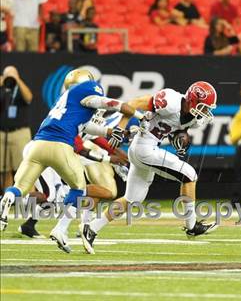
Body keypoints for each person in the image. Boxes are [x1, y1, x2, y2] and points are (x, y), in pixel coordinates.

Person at [0, 68, 144, 254]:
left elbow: (88, 128)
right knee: (79, 188)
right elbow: (113, 104)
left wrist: (110, 133)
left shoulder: (65, 102)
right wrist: (139, 115)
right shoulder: (87, 91)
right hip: (59, 146)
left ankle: (7, 200)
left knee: (19, 186)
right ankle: (60, 229)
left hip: (37, 144)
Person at [80, 82, 219, 255]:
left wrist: (179, 138)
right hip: (144, 148)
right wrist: (120, 127)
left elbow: (175, 129)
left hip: (146, 149)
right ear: (192, 100)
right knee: (189, 174)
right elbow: (134, 103)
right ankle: (192, 226)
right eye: (203, 107)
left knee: (132, 199)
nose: (205, 113)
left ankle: (91, 229)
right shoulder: (171, 101)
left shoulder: (191, 118)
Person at [0, 66, 33, 193]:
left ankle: (29, 198)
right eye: (7, 74)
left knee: (24, 169)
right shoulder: (2, 87)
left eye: (13, 74)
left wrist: (17, 80)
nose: (10, 77)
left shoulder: (21, 86)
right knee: (4, 171)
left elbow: (29, 98)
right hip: (2, 133)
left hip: (20, 133)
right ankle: (7, 198)